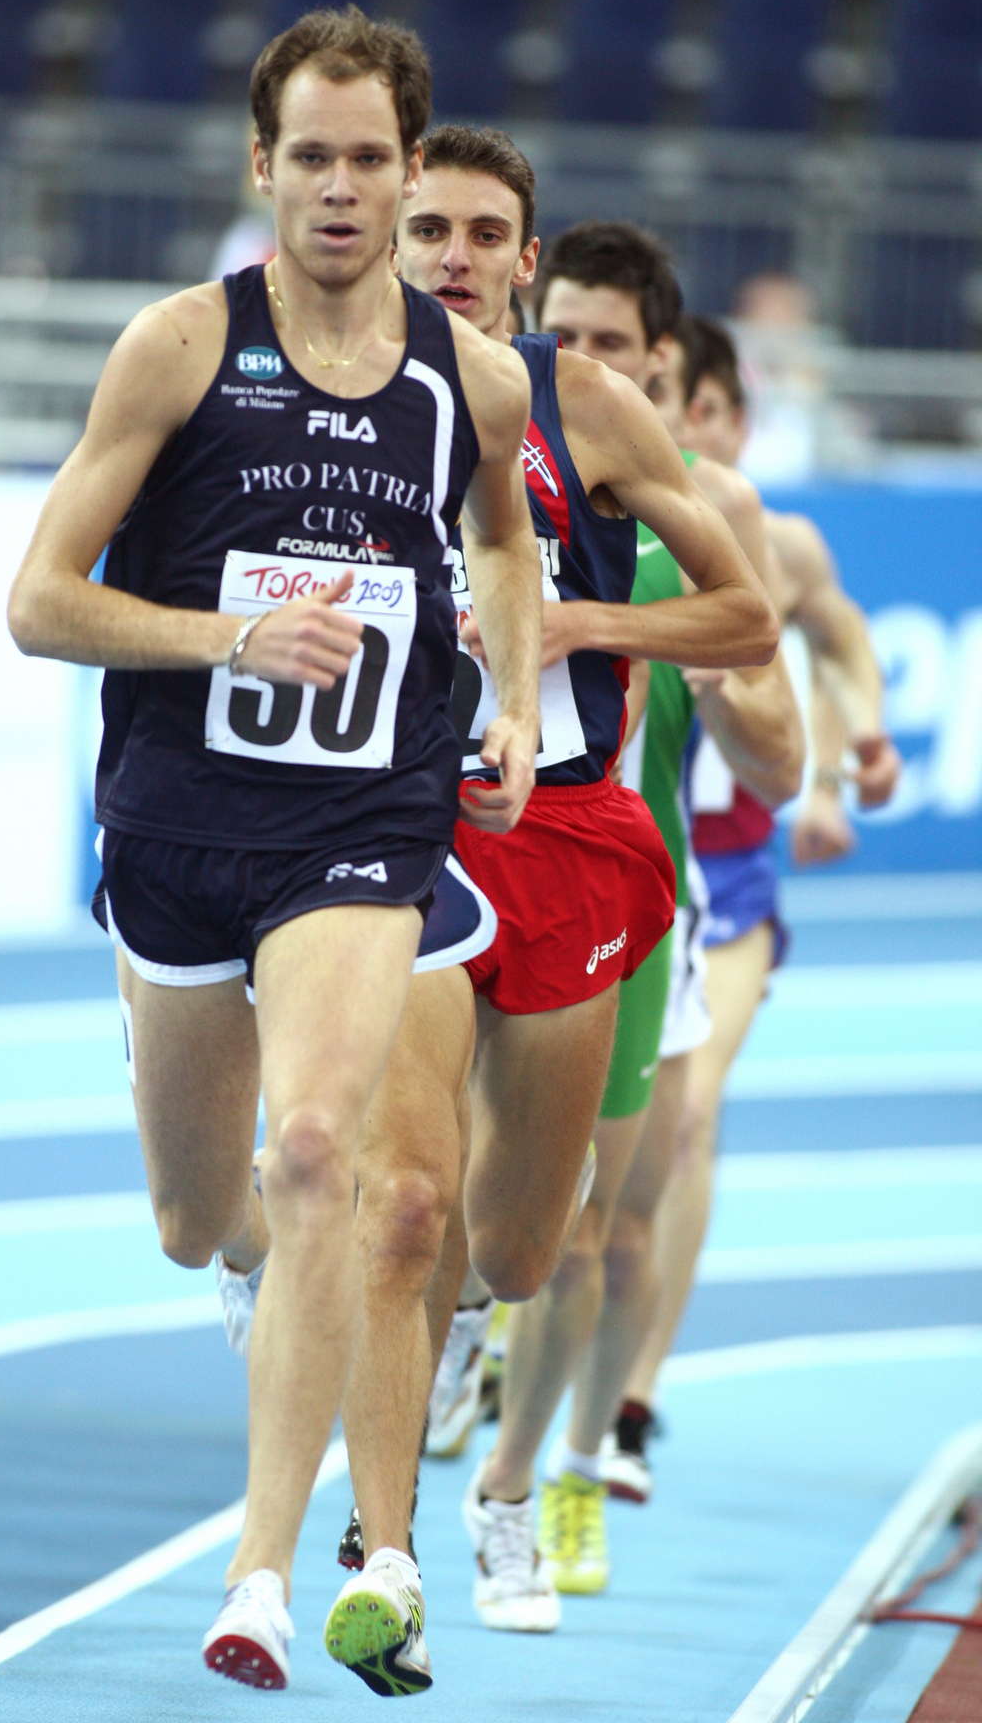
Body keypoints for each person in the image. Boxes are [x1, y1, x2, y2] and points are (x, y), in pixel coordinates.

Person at [7, 5, 547, 1696]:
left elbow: (505, 540)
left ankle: (266, 1573)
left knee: (322, 1149)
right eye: (309, 155)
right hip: (179, 826)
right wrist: (227, 640)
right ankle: (247, 1267)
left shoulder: (473, 378)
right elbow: (38, 604)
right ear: (263, 164)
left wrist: (511, 700)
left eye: (369, 158)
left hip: (363, 824)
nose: (339, 187)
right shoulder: (178, 347)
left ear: (407, 167)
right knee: (199, 1212)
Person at [391, 179, 781, 1630]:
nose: (458, 260)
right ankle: (392, 1530)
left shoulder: (653, 467)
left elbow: (771, 688)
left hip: (601, 865)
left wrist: (585, 625)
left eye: (487, 236)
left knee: (560, 1240)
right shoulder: (352, 400)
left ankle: (518, 1488)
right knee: (406, 1186)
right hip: (414, 838)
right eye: (435, 232)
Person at [613, 312, 900, 1487]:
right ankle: (520, 1328)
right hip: (628, 853)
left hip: (727, 871)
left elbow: (838, 645)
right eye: (670, 405)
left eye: (705, 410)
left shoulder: (779, 539)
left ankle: (631, 1399)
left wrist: (848, 758)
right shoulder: (601, 518)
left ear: (731, 418)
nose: (686, 428)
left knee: (688, 1117)